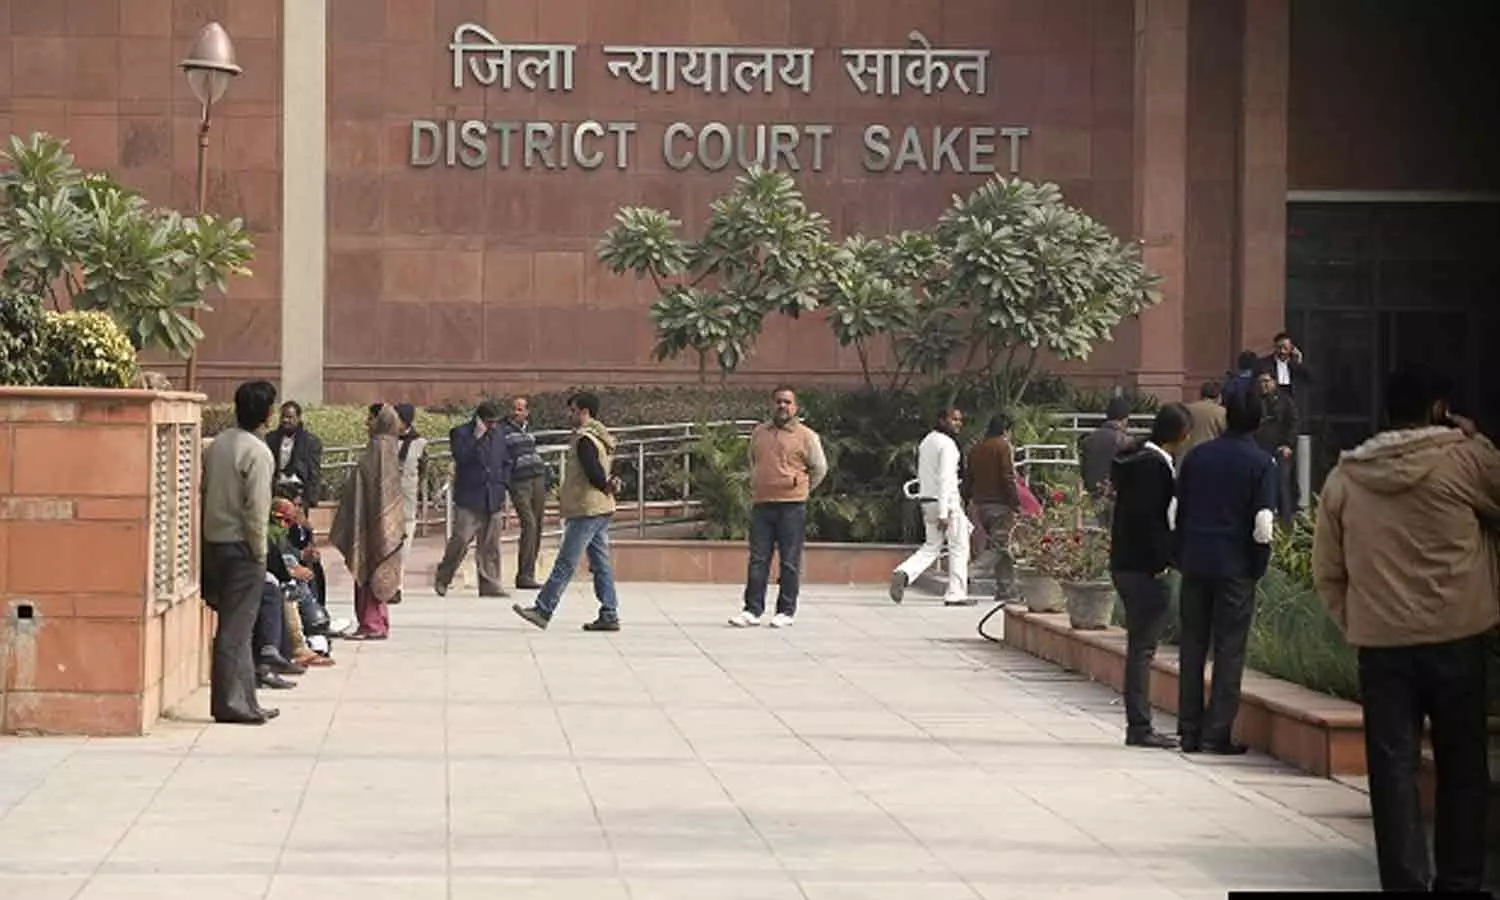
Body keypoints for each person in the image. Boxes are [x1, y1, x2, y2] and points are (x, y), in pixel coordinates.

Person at [1312, 366, 1500, 893]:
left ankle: (1404, 882)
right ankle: (1460, 881)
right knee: (1463, 764)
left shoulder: (1347, 477)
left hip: (1382, 646)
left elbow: (1328, 571)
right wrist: (1478, 440)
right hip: (1458, 634)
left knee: (1392, 769)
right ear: (1440, 408)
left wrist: (1361, 621)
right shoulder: (1465, 461)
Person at [1172, 387, 1277, 754]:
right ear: (1259, 422)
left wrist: (1180, 555)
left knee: (1192, 646)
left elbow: (1177, 512)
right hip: (1236, 566)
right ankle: (1216, 733)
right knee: (1229, 649)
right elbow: (1263, 524)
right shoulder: (1262, 463)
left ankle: (1188, 729)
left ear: (1226, 416)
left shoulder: (1197, 457)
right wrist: (1257, 567)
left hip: (1196, 561)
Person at [1109, 403, 1193, 749]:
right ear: (1181, 435)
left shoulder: (1133, 459)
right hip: (1145, 568)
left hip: (1124, 563)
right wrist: (1167, 560)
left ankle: (1139, 722)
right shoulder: (1155, 468)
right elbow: (1156, 523)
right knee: (1142, 650)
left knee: (1138, 648)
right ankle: (1139, 725)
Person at [201, 380, 279, 726]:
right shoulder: (258, 453)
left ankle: (246, 700)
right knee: (236, 628)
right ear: (267, 413)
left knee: (238, 626)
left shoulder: (218, 444)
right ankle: (231, 703)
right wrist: (260, 553)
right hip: (242, 546)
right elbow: (256, 510)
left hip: (215, 542)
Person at [513, 392, 622, 632]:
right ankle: (609, 612)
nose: (569, 415)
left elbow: (594, 473)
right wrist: (608, 486)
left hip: (586, 509)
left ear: (584, 412)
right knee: (600, 563)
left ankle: (543, 609)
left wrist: (604, 484)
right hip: (601, 507)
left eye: (573, 410)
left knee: (565, 562)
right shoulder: (600, 437)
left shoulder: (585, 440)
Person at [729, 386, 828, 628]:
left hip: (792, 506)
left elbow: (819, 468)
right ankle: (752, 610)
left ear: (795, 407)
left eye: (787, 402)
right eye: (778, 401)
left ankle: (786, 611)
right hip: (762, 504)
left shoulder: (807, 436)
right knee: (758, 559)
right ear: (771, 404)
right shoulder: (759, 433)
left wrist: (800, 488)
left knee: (789, 561)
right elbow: (753, 460)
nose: (782, 406)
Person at [329, 404, 407, 641]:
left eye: (371, 418)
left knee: (369, 570)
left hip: (370, 522)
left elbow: (371, 490)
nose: (367, 423)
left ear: (380, 420)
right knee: (377, 570)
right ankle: (379, 622)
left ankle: (371, 623)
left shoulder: (377, 449)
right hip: (383, 523)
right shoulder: (390, 446)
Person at [890, 407, 972, 606]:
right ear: (942, 420)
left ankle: (905, 572)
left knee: (932, 545)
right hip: (946, 503)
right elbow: (945, 478)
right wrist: (944, 512)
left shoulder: (927, 441)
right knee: (959, 547)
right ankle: (956, 593)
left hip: (927, 500)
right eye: (954, 419)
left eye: (959, 420)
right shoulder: (948, 445)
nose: (958, 424)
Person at [434, 401, 512, 597]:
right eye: (489, 422)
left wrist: (503, 482)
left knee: (490, 544)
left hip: (493, 495)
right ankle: (444, 576)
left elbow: (506, 460)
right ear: (480, 419)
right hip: (470, 496)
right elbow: (462, 457)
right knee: (461, 540)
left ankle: (490, 584)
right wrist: (477, 438)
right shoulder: (460, 433)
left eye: (495, 422)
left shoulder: (499, 434)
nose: (492, 425)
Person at [965, 412, 1022, 603]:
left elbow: (969, 477)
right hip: (1000, 504)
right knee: (999, 547)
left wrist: (966, 498)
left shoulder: (977, 448)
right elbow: (1008, 477)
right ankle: (968, 573)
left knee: (1003, 547)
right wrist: (1015, 503)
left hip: (981, 504)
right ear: (1006, 430)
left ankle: (1006, 589)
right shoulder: (1003, 446)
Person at [500, 396, 548, 590]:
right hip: (519, 481)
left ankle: (529, 574)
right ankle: (524, 574)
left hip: (537, 477)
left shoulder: (528, 430)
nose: (516, 412)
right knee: (529, 524)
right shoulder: (503, 431)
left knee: (538, 525)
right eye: (514, 408)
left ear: (527, 412)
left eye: (520, 409)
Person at [1079, 396, 1134, 527]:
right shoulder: (1126, 441)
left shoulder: (1089, 439)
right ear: (1125, 419)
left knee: (1100, 530)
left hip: (1094, 494)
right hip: (1117, 495)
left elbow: (1083, 468)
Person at [1253, 371, 1299, 525]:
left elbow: (1293, 423)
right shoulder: (1254, 401)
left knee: (1281, 486)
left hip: (1279, 448)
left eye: (1266, 381)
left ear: (1274, 382)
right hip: (1259, 448)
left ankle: (1285, 525)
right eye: (1261, 382)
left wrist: (1288, 444)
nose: (1263, 385)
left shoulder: (1285, 401)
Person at [393, 403, 427, 595]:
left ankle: (397, 585)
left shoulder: (420, 443)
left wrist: (420, 500)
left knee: (403, 547)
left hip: (408, 501)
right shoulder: (384, 441)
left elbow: (423, 473)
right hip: (386, 501)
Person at [266, 401, 324, 509]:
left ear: (298, 418)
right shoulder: (270, 439)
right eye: (283, 416)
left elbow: (314, 473)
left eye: (289, 417)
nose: (285, 420)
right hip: (275, 492)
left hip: (297, 494)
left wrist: (308, 499)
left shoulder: (310, 442)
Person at [1179, 381, 1226, 463]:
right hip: (1211, 456)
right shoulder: (1222, 412)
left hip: (1186, 456)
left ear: (1201, 394)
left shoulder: (1185, 409)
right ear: (1219, 396)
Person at [1258, 332, 1312, 401]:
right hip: (1273, 398)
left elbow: (1309, 379)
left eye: (1285, 348)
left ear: (1291, 348)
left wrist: (1299, 362)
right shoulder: (1264, 363)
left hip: (1292, 398)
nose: (1282, 351)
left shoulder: (1295, 363)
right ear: (1275, 347)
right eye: (1279, 347)